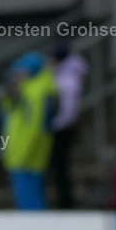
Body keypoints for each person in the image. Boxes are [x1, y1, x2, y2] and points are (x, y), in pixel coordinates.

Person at [0, 52, 58, 210]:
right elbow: (12, 113)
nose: (17, 76)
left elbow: (35, 127)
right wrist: (11, 95)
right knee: (27, 198)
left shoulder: (37, 92)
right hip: (21, 153)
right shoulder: (29, 90)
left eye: (20, 72)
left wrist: (24, 153)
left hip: (27, 154)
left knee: (31, 200)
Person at [48, 42, 87, 209]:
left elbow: (69, 110)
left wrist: (55, 125)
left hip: (64, 128)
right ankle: (63, 200)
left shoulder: (69, 78)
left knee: (61, 167)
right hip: (63, 126)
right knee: (59, 168)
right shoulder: (64, 74)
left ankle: (66, 203)